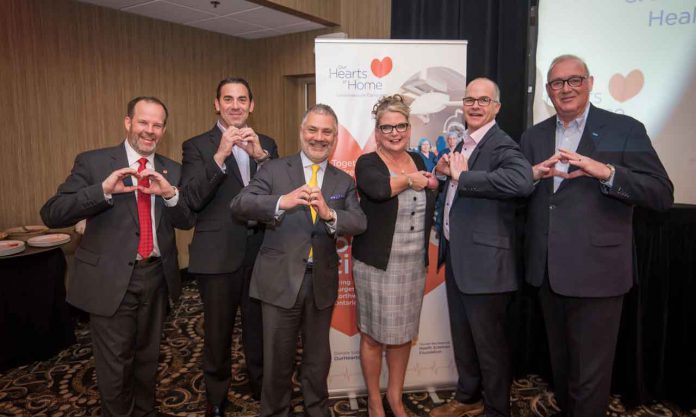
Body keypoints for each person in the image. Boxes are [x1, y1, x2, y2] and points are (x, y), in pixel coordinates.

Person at [520, 55, 673, 417]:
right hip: (546, 273)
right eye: (557, 83)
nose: (566, 89)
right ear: (548, 91)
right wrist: (529, 176)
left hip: (598, 274)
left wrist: (606, 172)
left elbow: (661, 193)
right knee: (563, 372)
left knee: (590, 378)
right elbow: (524, 196)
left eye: (574, 80)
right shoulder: (534, 135)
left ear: (590, 82)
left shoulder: (625, 129)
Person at [40, 97, 194, 417]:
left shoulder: (173, 169)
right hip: (110, 280)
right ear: (127, 123)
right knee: (115, 366)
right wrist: (102, 191)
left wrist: (170, 195)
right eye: (143, 122)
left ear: (164, 129)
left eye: (156, 125)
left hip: (157, 278)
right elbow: (52, 213)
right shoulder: (94, 163)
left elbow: (186, 219)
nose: (149, 131)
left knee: (148, 359)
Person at [230, 104, 367, 417]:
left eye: (326, 132)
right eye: (312, 130)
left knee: (318, 359)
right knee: (277, 359)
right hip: (279, 281)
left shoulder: (343, 181)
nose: (319, 138)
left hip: (321, 282)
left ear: (335, 138)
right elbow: (240, 205)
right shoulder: (275, 170)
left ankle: (317, 409)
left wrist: (331, 215)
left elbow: (359, 223)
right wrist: (282, 201)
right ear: (301, 132)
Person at [430, 78, 534, 417]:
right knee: (465, 340)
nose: (475, 106)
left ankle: (496, 409)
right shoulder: (465, 141)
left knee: (490, 347)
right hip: (460, 259)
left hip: (487, 267)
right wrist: (447, 174)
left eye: (483, 100)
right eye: (470, 100)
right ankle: (467, 397)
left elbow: (521, 182)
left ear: (496, 108)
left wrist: (464, 178)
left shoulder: (501, 144)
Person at [180, 77, 278, 414]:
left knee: (258, 327)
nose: (235, 105)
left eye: (242, 99)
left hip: (261, 251)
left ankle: (259, 384)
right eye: (228, 99)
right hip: (217, 256)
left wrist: (263, 158)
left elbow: (278, 193)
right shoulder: (196, 146)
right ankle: (216, 398)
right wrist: (220, 155)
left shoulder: (267, 144)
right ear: (217, 104)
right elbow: (192, 198)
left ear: (252, 104)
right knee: (217, 333)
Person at [352, 95, 438, 417]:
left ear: (409, 127)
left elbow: (430, 190)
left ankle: (395, 398)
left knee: (402, 336)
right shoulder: (368, 162)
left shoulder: (418, 158)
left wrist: (434, 179)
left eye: (400, 125)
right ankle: (375, 400)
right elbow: (377, 190)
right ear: (377, 132)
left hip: (412, 264)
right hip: (376, 265)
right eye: (387, 127)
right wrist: (411, 180)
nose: (394, 132)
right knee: (374, 337)